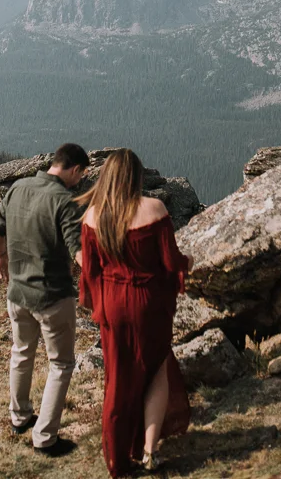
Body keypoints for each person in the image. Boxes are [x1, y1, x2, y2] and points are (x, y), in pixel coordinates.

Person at [78, 148, 192, 477]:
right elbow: (171, 262)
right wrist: (189, 265)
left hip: (113, 305)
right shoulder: (153, 209)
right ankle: (149, 450)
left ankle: (116, 457)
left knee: (117, 377)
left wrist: (97, 304)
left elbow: (91, 272)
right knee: (156, 368)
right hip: (148, 304)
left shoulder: (93, 216)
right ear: (136, 177)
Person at [0, 142, 90, 457]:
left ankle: (19, 417)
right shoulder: (64, 201)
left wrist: (1, 258)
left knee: (21, 352)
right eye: (81, 175)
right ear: (74, 169)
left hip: (17, 292)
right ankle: (45, 438)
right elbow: (78, 252)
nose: (80, 182)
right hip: (51, 296)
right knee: (60, 363)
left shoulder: (17, 188)